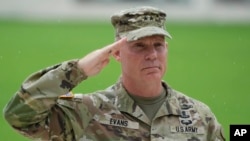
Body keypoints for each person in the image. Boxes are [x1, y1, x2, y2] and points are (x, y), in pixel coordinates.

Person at [3, 6, 225, 141]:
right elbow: (19, 117)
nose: (152, 55)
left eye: (158, 45)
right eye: (139, 46)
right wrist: (76, 71)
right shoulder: (87, 112)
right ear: (117, 53)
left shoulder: (199, 116)